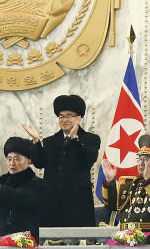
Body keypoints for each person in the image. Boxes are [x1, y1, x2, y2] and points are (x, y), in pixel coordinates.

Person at [23, 94, 101, 228]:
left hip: (78, 202)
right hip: (52, 202)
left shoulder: (91, 139)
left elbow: (89, 159)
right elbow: (40, 163)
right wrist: (36, 141)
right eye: (61, 116)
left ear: (79, 118)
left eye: (69, 115)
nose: (64, 120)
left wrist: (75, 139)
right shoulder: (49, 141)